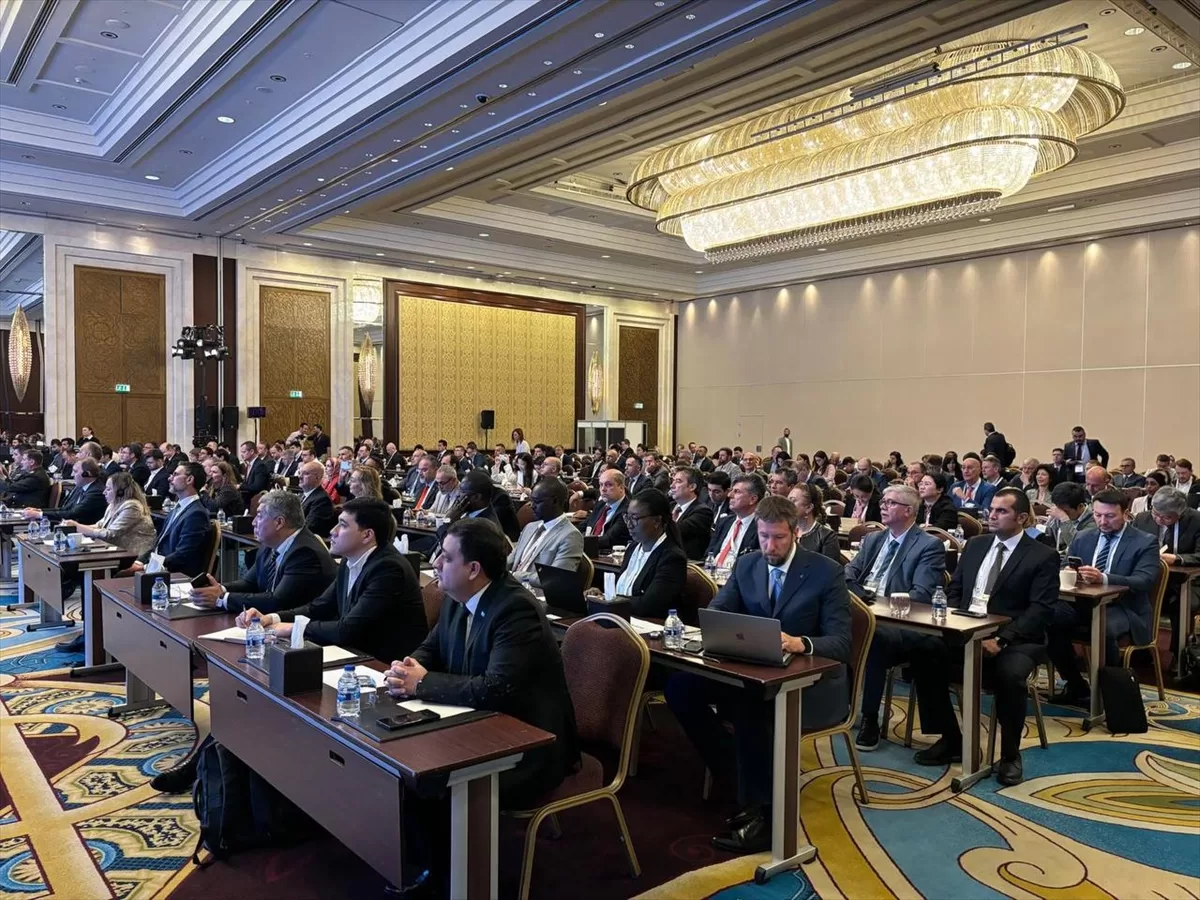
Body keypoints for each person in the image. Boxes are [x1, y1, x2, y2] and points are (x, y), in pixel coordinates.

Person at [666, 496, 850, 852]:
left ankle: (765, 815)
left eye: (778, 537)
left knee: (752, 704)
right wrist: (723, 629)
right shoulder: (748, 563)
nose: (770, 546)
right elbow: (718, 611)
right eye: (764, 536)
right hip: (752, 669)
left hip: (808, 682)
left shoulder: (826, 571)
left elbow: (841, 643)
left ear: (795, 534)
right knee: (680, 688)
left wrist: (799, 643)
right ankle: (739, 777)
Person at [385, 517, 579, 809]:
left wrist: (421, 683)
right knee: (395, 760)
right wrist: (406, 670)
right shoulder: (457, 595)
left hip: (524, 744)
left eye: (447, 557)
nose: (436, 563)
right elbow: (432, 648)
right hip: (473, 720)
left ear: (473, 569)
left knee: (421, 780)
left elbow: (495, 688)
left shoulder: (515, 609)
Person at [908, 489, 1059, 785]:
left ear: (1022, 517)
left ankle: (1011, 754)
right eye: (992, 509)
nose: (992, 515)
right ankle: (951, 738)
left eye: (1002, 511)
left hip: (1016, 638)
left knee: (1010, 675)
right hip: (967, 629)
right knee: (922, 650)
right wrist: (952, 622)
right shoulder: (976, 545)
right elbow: (955, 590)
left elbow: (1040, 609)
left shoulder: (1042, 555)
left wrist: (1002, 639)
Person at [238, 498, 427, 662]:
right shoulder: (349, 560)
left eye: (343, 525)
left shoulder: (388, 569)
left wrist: (292, 628)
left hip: (384, 663)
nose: (333, 531)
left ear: (367, 535)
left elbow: (347, 629)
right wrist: (271, 618)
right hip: (355, 651)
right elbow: (319, 607)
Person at [849, 485, 948, 750]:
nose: (883, 506)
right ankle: (832, 704)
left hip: (901, 624)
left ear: (908, 511)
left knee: (874, 638)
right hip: (865, 612)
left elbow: (921, 595)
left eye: (891, 503)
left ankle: (870, 717)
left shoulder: (928, 545)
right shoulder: (873, 539)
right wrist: (861, 595)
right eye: (883, 501)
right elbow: (849, 573)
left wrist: (876, 603)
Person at [1049, 488, 1161, 705]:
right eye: (1098, 515)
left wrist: (1104, 578)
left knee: (1102, 628)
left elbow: (1144, 580)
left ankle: (1108, 691)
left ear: (1125, 514)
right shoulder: (1084, 536)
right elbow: (1064, 564)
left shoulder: (1145, 541)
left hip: (1124, 608)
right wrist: (1069, 572)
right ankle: (1076, 685)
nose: (1102, 521)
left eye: (1110, 516)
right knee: (1048, 616)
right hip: (1083, 603)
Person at [191, 490, 337, 614]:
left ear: (279, 522)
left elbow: (278, 601)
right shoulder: (270, 544)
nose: (253, 522)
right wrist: (219, 589)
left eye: (259, 516)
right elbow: (250, 583)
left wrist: (222, 599)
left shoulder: (304, 553)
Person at [1133, 487, 1200, 659]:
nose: (1159, 520)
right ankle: (1141, 649)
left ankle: (1180, 655)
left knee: (1181, 605)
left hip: (1188, 583)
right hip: (1151, 580)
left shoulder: (1196, 520)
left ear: (1181, 512)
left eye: (1167, 517)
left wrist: (1177, 558)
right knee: (1133, 597)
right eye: (1156, 513)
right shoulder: (1142, 519)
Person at [603, 488, 688, 618]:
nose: (629, 525)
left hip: (651, 623)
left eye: (634, 518)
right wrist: (601, 596)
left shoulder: (672, 558)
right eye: (627, 517)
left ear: (657, 521)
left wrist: (610, 599)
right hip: (622, 617)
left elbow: (648, 605)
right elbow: (623, 588)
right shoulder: (632, 548)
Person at [133, 462, 212, 577]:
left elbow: (182, 555)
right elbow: (158, 542)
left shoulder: (196, 514)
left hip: (173, 574)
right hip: (158, 566)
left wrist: (146, 567)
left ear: (189, 479)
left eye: (175, 474)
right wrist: (140, 561)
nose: (169, 478)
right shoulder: (178, 507)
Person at [507, 478, 584, 586]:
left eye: (537, 502)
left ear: (554, 501)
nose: (532, 506)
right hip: (511, 586)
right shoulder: (529, 527)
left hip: (535, 592)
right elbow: (511, 560)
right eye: (531, 500)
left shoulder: (570, 536)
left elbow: (555, 578)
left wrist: (518, 576)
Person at [66, 472, 157, 557]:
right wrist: (74, 526)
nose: (104, 492)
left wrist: (78, 527)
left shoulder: (132, 506)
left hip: (135, 555)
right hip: (118, 551)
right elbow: (99, 525)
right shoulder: (114, 504)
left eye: (108, 489)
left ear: (120, 492)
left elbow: (111, 534)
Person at [24, 458, 106, 524]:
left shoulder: (96, 492)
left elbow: (73, 514)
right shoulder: (80, 487)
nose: (72, 474)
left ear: (87, 474)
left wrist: (39, 514)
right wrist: (39, 511)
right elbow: (65, 509)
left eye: (75, 471)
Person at [706, 473, 764, 565]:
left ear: (753, 499)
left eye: (737, 491)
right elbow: (709, 553)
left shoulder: (761, 528)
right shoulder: (725, 522)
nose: (729, 495)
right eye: (731, 490)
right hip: (711, 570)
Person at [669, 466, 715, 560]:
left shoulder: (703, 512)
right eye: (673, 481)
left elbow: (675, 531)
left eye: (678, 481)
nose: (672, 486)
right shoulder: (670, 506)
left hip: (686, 563)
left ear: (692, 487)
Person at [582, 468, 631, 552]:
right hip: (588, 550)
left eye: (608, 485)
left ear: (621, 488)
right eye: (601, 485)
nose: (603, 489)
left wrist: (577, 542)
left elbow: (608, 540)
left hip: (605, 554)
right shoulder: (601, 505)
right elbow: (584, 525)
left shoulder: (627, 510)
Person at [788, 482, 840, 561]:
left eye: (792, 501)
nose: (787, 505)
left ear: (809, 507)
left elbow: (830, 568)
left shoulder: (827, 537)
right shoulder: (783, 531)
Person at [1044, 480, 1094, 552]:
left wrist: (1064, 519)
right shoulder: (1059, 512)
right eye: (1058, 509)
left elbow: (1078, 546)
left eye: (1065, 511)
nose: (1060, 513)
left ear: (1080, 506)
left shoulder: (1093, 521)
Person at [297, 461, 337, 539]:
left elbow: (309, 528)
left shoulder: (322, 500)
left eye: (305, 473)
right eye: (299, 473)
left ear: (317, 477)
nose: (300, 476)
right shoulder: (303, 494)